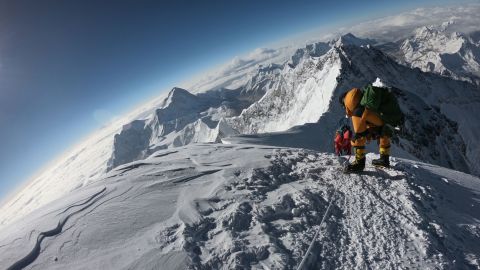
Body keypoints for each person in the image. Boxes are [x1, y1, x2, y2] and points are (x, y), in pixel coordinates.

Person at [339, 84, 404, 172]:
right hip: (393, 118)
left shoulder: (355, 108)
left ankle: (359, 163)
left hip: (383, 117)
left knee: (358, 135)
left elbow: (360, 128)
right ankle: (384, 159)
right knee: (383, 132)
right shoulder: (364, 99)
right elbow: (372, 115)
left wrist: (360, 134)